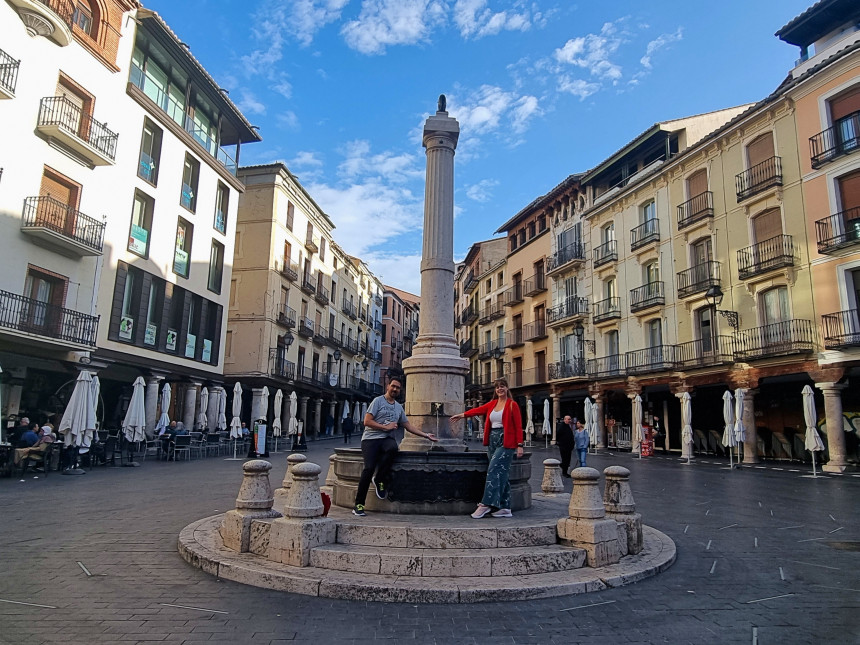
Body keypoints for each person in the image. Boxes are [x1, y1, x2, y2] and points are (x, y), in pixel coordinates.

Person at [353, 376, 437, 516]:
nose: (395, 389)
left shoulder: (398, 407)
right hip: (370, 439)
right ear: (388, 386)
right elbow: (367, 421)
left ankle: (379, 478)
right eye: (393, 386)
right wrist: (384, 427)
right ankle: (359, 504)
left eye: (398, 388)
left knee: (393, 448)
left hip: (386, 440)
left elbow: (408, 426)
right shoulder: (377, 401)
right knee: (368, 469)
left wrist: (426, 435)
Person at [450, 378, 524, 519]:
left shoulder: (512, 405)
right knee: (502, 474)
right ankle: (505, 507)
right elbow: (478, 410)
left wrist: (520, 445)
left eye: (502, 386)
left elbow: (518, 426)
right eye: (497, 387)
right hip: (492, 439)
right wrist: (462, 415)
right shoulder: (493, 404)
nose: (500, 389)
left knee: (493, 470)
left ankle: (486, 504)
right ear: (495, 390)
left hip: (506, 440)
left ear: (507, 388)